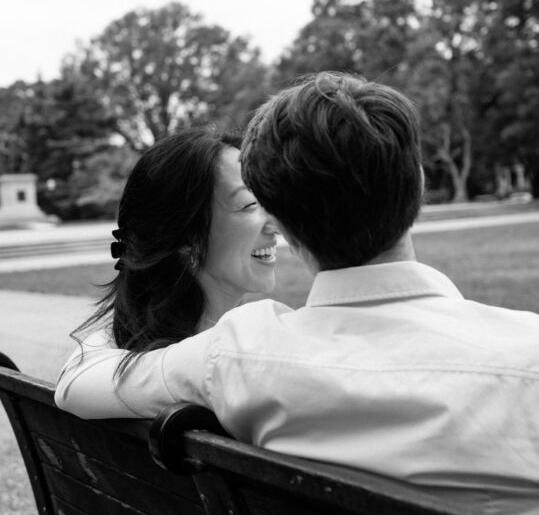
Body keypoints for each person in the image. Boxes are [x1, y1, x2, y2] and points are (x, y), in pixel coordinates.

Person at [56, 72, 539, 493]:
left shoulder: (238, 356)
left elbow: (84, 380)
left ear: (284, 218)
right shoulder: (528, 352)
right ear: (416, 183)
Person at [57, 127, 278, 398]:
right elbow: (72, 387)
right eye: (249, 204)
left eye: (268, 199)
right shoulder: (252, 357)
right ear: (185, 235)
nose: (275, 223)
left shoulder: (116, 351)